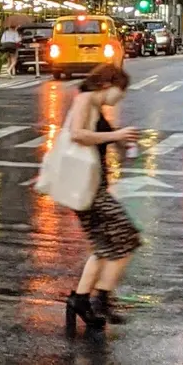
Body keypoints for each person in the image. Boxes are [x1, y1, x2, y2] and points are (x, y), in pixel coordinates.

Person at [61, 64, 142, 332]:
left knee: (104, 246)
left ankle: (81, 300)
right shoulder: (85, 99)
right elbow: (77, 133)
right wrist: (116, 135)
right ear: (108, 84)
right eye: (122, 91)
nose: (122, 97)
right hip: (87, 188)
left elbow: (99, 137)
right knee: (127, 238)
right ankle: (101, 299)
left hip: (92, 185)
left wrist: (121, 142)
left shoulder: (95, 105)